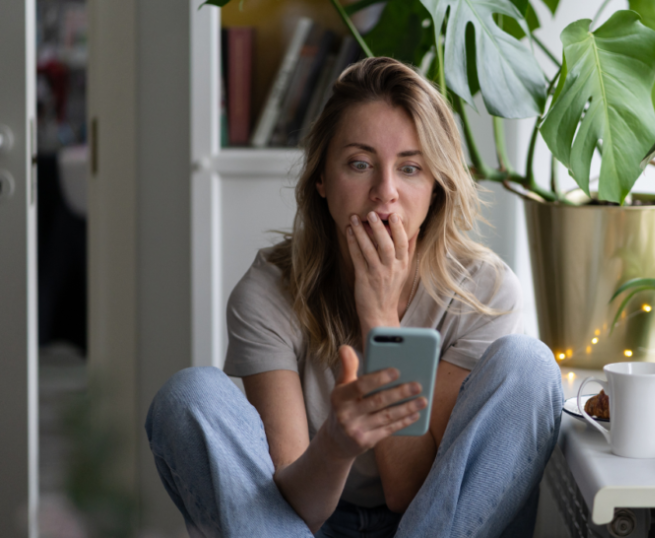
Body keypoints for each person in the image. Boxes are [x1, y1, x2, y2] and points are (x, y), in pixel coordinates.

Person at [145, 57, 563, 538]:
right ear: (322, 179)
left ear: (436, 189)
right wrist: (337, 445)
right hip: (306, 524)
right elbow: (298, 511)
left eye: (410, 168)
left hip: (435, 521)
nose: (384, 193)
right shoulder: (267, 292)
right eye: (360, 164)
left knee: (530, 364)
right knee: (189, 395)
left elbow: (408, 490)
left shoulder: (483, 291)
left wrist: (381, 320)